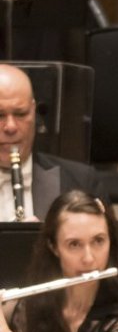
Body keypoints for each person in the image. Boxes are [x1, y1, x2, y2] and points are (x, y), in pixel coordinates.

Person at [0, 190, 118, 332]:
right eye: (74, 244)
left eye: (98, 241)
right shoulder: (20, 309)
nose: (89, 258)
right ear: (53, 247)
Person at [0, 64, 105, 224]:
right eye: (0, 115)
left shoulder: (82, 181)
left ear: (34, 111)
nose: (11, 127)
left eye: (21, 114)